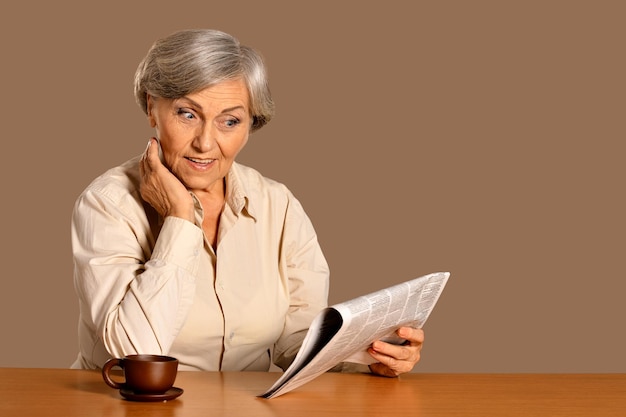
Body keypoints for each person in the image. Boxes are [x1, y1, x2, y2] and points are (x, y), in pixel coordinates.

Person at [71, 28, 424, 377]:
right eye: (187, 114)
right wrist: (179, 219)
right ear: (152, 107)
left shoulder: (278, 205)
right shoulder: (108, 204)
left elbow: (295, 341)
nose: (206, 143)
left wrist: (369, 354)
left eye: (230, 121)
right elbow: (134, 353)